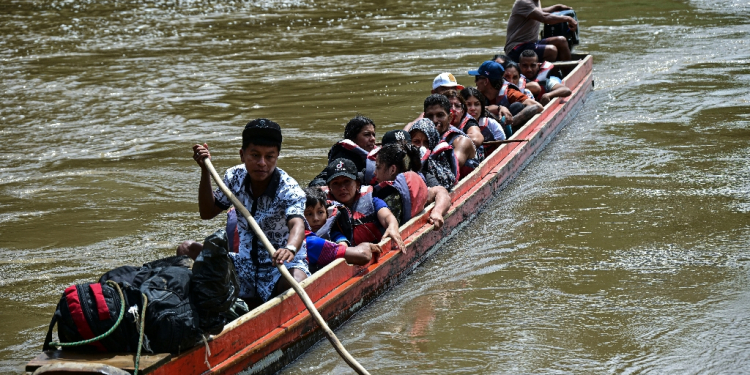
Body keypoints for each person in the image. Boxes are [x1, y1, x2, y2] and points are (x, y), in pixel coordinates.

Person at [192, 119, 310, 307]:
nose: (262, 163)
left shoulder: (289, 188)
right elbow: (207, 213)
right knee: (187, 249)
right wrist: (205, 171)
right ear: (242, 155)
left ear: (277, 156)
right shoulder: (233, 177)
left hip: (279, 266)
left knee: (297, 282)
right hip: (244, 266)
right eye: (255, 155)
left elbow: (297, 223)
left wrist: (290, 249)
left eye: (269, 157)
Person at [324, 158, 406, 251]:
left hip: (375, 249)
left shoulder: (373, 201)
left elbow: (387, 216)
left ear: (357, 184)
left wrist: (392, 227)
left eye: (347, 181)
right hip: (343, 253)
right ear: (329, 188)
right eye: (335, 183)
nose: (342, 188)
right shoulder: (324, 209)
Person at [375, 130, 452, 228]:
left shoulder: (419, 176)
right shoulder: (376, 172)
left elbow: (442, 192)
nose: (401, 153)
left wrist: (437, 212)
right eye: (395, 148)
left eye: (404, 147)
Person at [302, 187, 381, 272]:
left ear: (327, 212)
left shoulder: (333, 235)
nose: (316, 218)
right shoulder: (310, 241)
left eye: (320, 212)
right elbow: (362, 255)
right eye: (309, 214)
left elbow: (343, 246)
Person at [469, 60, 543, 132]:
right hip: (494, 127)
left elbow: (538, 106)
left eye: (477, 78)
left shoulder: (510, 93)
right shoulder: (478, 94)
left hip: (510, 128)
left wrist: (510, 122)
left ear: (486, 81)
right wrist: (499, 108)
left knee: (517, 106)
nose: (475, 82)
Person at [309, 115, 378, 187]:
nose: (373, 139)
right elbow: (319, 180)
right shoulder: (342, 157)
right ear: (353, 138)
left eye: (373, 135)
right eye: (367, 135)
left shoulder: (376, 156)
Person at [372, 142, 428, 225]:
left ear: (392, 170)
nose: (374, 172)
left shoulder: (389, 197)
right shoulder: (419, 181)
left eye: (378, 167)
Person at [504, 1, 577, 62]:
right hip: (516, 48)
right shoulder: (524, 2)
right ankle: (546, 75)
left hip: (531, 43)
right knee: (551, 51)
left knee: (562, 40)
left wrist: (556, 7)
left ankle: (568, 73)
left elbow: (539, 11)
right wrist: (568, 19)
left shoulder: (535, 1)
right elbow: (544, 17)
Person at [421, 94, 477, 171]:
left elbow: (451, 168)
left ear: (450, 117)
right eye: (430, 116)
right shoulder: (422, 137)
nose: (434, 120)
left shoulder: (462, 141)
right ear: (424, 118)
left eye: (440, 115)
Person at [409, 118, 459, 192]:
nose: (421, 146)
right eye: (416, 142)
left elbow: (448, 181)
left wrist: (426, 161)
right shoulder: (406, 156)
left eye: (426, 142)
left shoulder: (441, 155)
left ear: (433, 142)